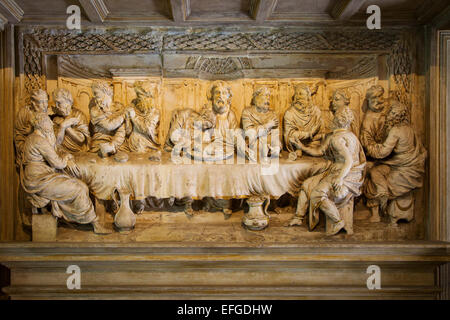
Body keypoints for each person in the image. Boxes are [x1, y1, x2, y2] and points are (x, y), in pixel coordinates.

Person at [20, 113, 110, 234]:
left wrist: (64, 155)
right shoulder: (39, 141)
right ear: (41, 124)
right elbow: (58, 163)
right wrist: (66, 159)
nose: (51, 123)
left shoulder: (34, 138)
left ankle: (90, 220)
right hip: (39, 180)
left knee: (82, 186)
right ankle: (94, 223)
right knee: (79, 188)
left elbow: (56, 150)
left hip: (41, 176)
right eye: (47, 121)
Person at [289, 106, 366, 236]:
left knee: (316, 194)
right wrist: (302, 147)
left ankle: (337, 221)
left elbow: (349, 161)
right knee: (307, 184)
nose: (332, 118)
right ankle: (298, 217)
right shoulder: (346, 135)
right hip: (337, 171)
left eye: (334, 116)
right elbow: (320, 151)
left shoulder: (337, 139)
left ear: (337, 120)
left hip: (345, 174)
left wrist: (340, 178)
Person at [363, 100, 426, 224]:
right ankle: (382, 194)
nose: (388, 114)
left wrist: (370, 147)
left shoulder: (396, 131)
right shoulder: (409, 129)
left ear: (395, 115)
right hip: (407, 165)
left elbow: (382, 152)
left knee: (373, 172)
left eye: (390, 112)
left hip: (402, 168)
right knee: (377, 169)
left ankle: (382, 194)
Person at [283, 84, 322, 159]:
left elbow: (321, 131)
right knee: (292, 139)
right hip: (296, 144)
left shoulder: (316, 111)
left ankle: (306, 150)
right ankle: (300, 149)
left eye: (300, 94)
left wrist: (315, 136)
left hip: (314, 144)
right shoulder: (290, 113)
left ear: (308, 96)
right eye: (296, 94)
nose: (298, 97)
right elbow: (289, 135)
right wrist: (309, 133)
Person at [241, 86, 280, 161]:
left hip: (269, 146)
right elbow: (249, 134)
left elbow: (275, 135)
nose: (268, 98)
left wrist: (277, 147)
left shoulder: (273, 114)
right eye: (265, 95)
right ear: (257, 98)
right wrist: (267, 125)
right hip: (253, 146)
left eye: (269, 96)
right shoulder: (247, 112)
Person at [89, 81, 126, 157]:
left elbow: (122, 130)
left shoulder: (118, 107)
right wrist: (123, 115)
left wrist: (113, 144)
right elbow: (108, 126)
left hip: (117, 143)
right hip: (100, 141)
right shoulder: (95, 110)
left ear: (105, 91)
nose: (94, 96)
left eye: (96, 93)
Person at [124, 81, 161, 156]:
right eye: (137, 95)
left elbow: (147, 129)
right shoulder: (133, 107)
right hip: (132, 144)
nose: (138, 98)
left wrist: (133, 117)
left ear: (148, 96)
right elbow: (128, 132)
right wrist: (127, 118)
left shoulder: (155, 112)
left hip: (147, 144)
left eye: (140, 95)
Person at [15, 89, 49, 166]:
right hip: (30, 150)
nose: (45, 105)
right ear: (33, 103)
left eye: (46, 101)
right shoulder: (24, 112)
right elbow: (19, 135)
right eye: (41, 102)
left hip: (47, 149)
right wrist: (31, 131)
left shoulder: (47, 112)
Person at [52, 88, 90, 153]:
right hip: (60, 152)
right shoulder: (56, 118)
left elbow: (81, 140)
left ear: (68, 101)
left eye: (59, 102)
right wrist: (62, 126)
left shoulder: (79, 115)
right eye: (55, 103)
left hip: (78, 152)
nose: (57, 106)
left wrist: (65, 126)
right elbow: (56, 143)